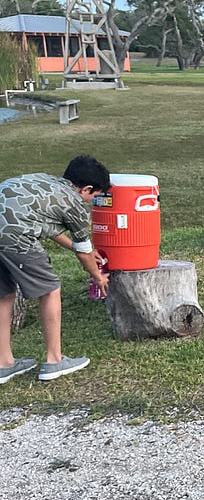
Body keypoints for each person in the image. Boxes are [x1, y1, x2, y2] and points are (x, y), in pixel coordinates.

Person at [0, 155, 110, 384]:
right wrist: (97, 276)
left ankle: (4, 364)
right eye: (96, 196)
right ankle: (54, 361)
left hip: (6, 224)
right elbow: (83, 252)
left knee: (4, 295)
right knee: (50, 290)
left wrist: (80, 250)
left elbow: (48, 227)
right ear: (87, 189)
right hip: (15, 236)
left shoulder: (45, 183)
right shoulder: (75, 203)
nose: (93, 200)